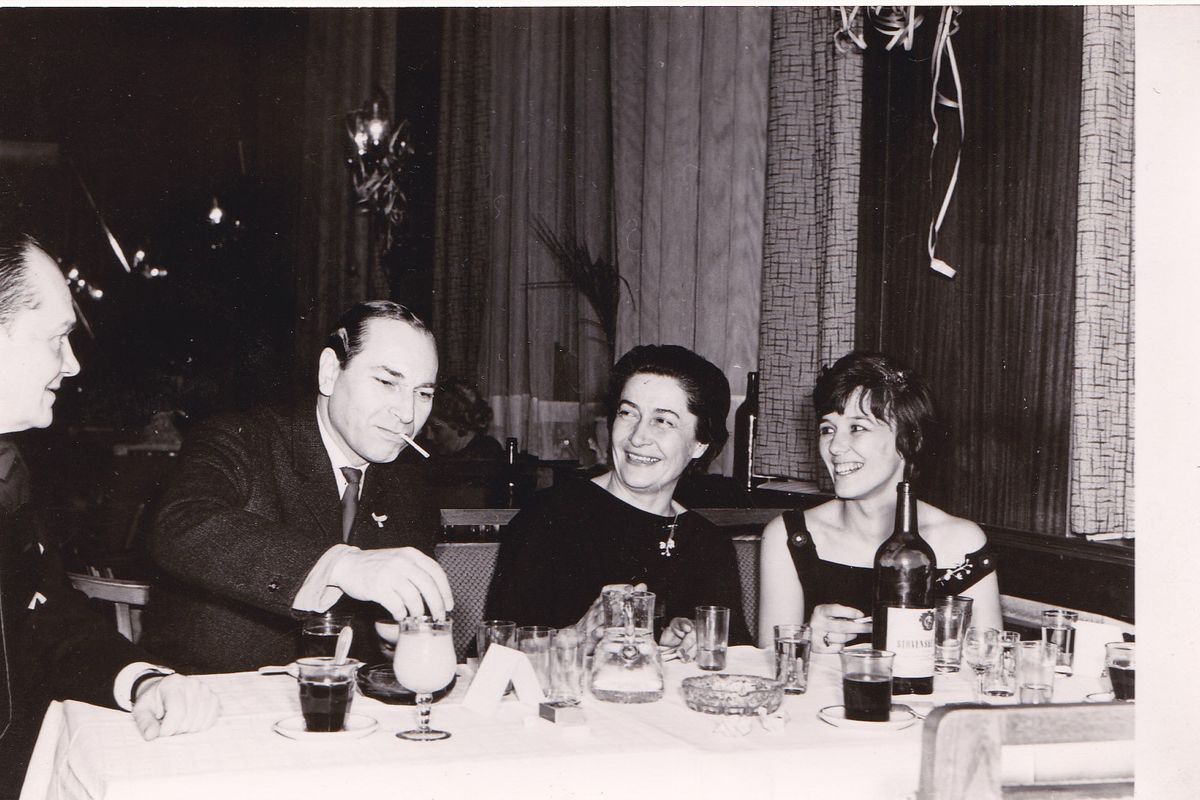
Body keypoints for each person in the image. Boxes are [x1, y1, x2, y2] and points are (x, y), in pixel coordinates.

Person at [0, 233, 219, 794]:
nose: (72, 365)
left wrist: (141, 681)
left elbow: (52, 622)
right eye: (57, 338)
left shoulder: (10, 474)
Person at [141, 301, 453, 673]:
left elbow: (380, 642)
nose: (407, 414)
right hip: (208, 693)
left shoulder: (411, 491)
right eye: (387, 382)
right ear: (330, 372)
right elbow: (180, 525)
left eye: (423, 393)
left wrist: (394, 642)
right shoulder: (240, 439)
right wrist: (341, 565)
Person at [485, 344, 751, 655]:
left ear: (699, 444)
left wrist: (689, 646)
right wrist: (575, 638)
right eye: (628, 413)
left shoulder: (709, 545)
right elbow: (494, 654)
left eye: (662, 421)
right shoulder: (550, 517)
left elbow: (737, 659)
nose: (637, 437)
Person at [757, 351, 1002, 651]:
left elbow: (987, 663)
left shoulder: (963, 544)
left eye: (857, 428)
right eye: (827, 429)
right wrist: (805, 640)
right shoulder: (789, 536)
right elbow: (768, 666)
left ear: (909, 440)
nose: (835, 447)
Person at [422, 376, 503, 461]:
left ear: (460, 424)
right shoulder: (437, 453)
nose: (429, 436)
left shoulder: (486, 452)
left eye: (436, 429)